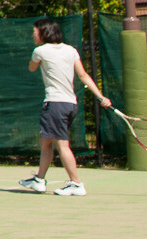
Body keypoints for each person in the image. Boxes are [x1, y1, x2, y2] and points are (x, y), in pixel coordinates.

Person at [21, 16, 109, 196]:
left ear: (43, 33)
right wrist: (100, 97)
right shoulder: (71, 50)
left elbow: (31, 68)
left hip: (55, 104)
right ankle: (39, 180)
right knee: (46, 142)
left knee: (62, 145)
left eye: (34, 32)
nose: (32, 35)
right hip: (70, 104)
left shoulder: (40, 51)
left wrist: (35, 61)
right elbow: (83, 75)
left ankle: (76, 183)